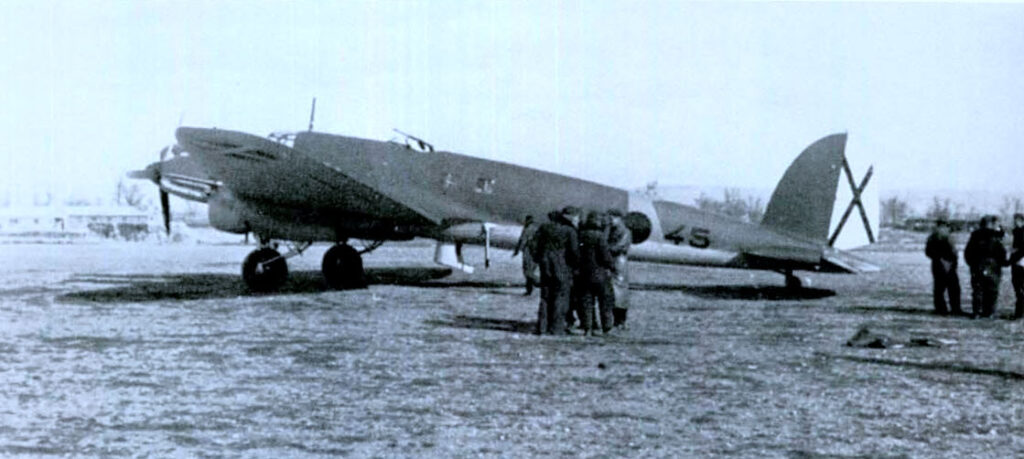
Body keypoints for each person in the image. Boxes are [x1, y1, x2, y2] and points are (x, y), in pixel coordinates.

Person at [530, 207, 580, 335]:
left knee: (545, 296)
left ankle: (542, 327)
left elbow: (533, 245)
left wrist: (539, 258)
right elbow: (574, 252)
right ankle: (556, 328)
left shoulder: (544, 228)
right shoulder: (570, 230)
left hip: (545, 266)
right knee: (561, 296)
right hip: (562, 267)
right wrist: (575, 266)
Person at [575, 211, 616, 335]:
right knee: (605, 302)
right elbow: (605, 255)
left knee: (587, 301)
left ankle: (588, 328)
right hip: (600, 274)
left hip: (584, 274)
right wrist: (611, 266)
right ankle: (607, 328)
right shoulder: (600, 236)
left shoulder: (580, 235)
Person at [964, 215, 1007, 319]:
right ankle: (989, 312)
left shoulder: (974, 236)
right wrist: (1003, 263)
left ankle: (977, 312)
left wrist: (972, 264)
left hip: (977, 264)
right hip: (993, 265)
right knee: (992, 290)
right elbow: (1001, 252)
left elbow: (968, 252)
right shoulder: (996, 237)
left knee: (978, 289)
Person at [924, 219, 961, 316]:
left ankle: (940, 309)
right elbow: (953, 251)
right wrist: (954, 258)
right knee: (953, 288)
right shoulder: (948, 236)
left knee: (938, 288)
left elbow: (927, 252)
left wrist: (936, 257)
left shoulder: (932, 237)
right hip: (949, 264)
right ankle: (955, 309)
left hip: (936, 264)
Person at [606, 209, 632, 328]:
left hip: (619, 262)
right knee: (613, 291)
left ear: (619, 218)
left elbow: (620, 247)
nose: (610, 221)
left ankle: (621, 319)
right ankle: (617, 319)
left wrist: (605, 249)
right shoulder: (612, 230)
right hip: (614, 261)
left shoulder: (625, 232)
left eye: (612, 218)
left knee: (620, 291)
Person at [512, 215, 540, 295]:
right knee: (531, 271)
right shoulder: (537, 229)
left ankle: (539, 283)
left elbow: (522, 240)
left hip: (528, 252)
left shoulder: (527, 229)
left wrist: (517, 251)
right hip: (537, 252)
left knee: (527, 272)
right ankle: (529, 290)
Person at [1010, 213, 1024, 319]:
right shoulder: (1017, 231)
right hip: (1018, 262)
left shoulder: (1020, 232)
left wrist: (1014, 257)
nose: (1015, 222)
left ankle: (1019, 313)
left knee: (1020, 288)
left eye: (1017, 220)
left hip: (1020, 262)